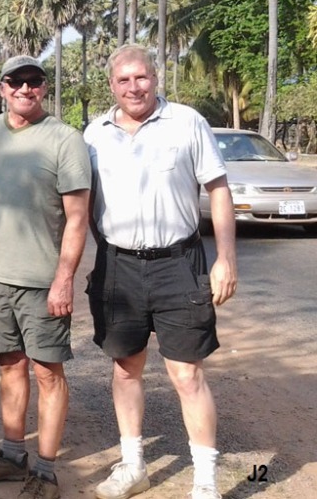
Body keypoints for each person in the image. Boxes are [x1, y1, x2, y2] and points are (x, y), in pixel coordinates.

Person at [84, 45, 237, 499]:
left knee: (187, 374)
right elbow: (83, 205)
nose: (134, 87)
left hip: (178, 264)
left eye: (141, 77)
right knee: (125, 369)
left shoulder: (187, 122)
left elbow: (218, 189)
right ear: (111, 85)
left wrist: (226, 258)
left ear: (156, 78)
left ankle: (205, 481)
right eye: (123, 80)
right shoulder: (94, 135)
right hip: (118, 267)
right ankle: (133, 466)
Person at [0, 55, 91, 499]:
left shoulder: (64, 139)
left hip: (42, 282)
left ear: (44, 87)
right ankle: (12, 454)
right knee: (10, 365)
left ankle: (46, 471)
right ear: (2, 88)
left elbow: (78, 217)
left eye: (34, 81)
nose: (25, 89)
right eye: (15, 81)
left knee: (48, 373)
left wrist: (64, 278)